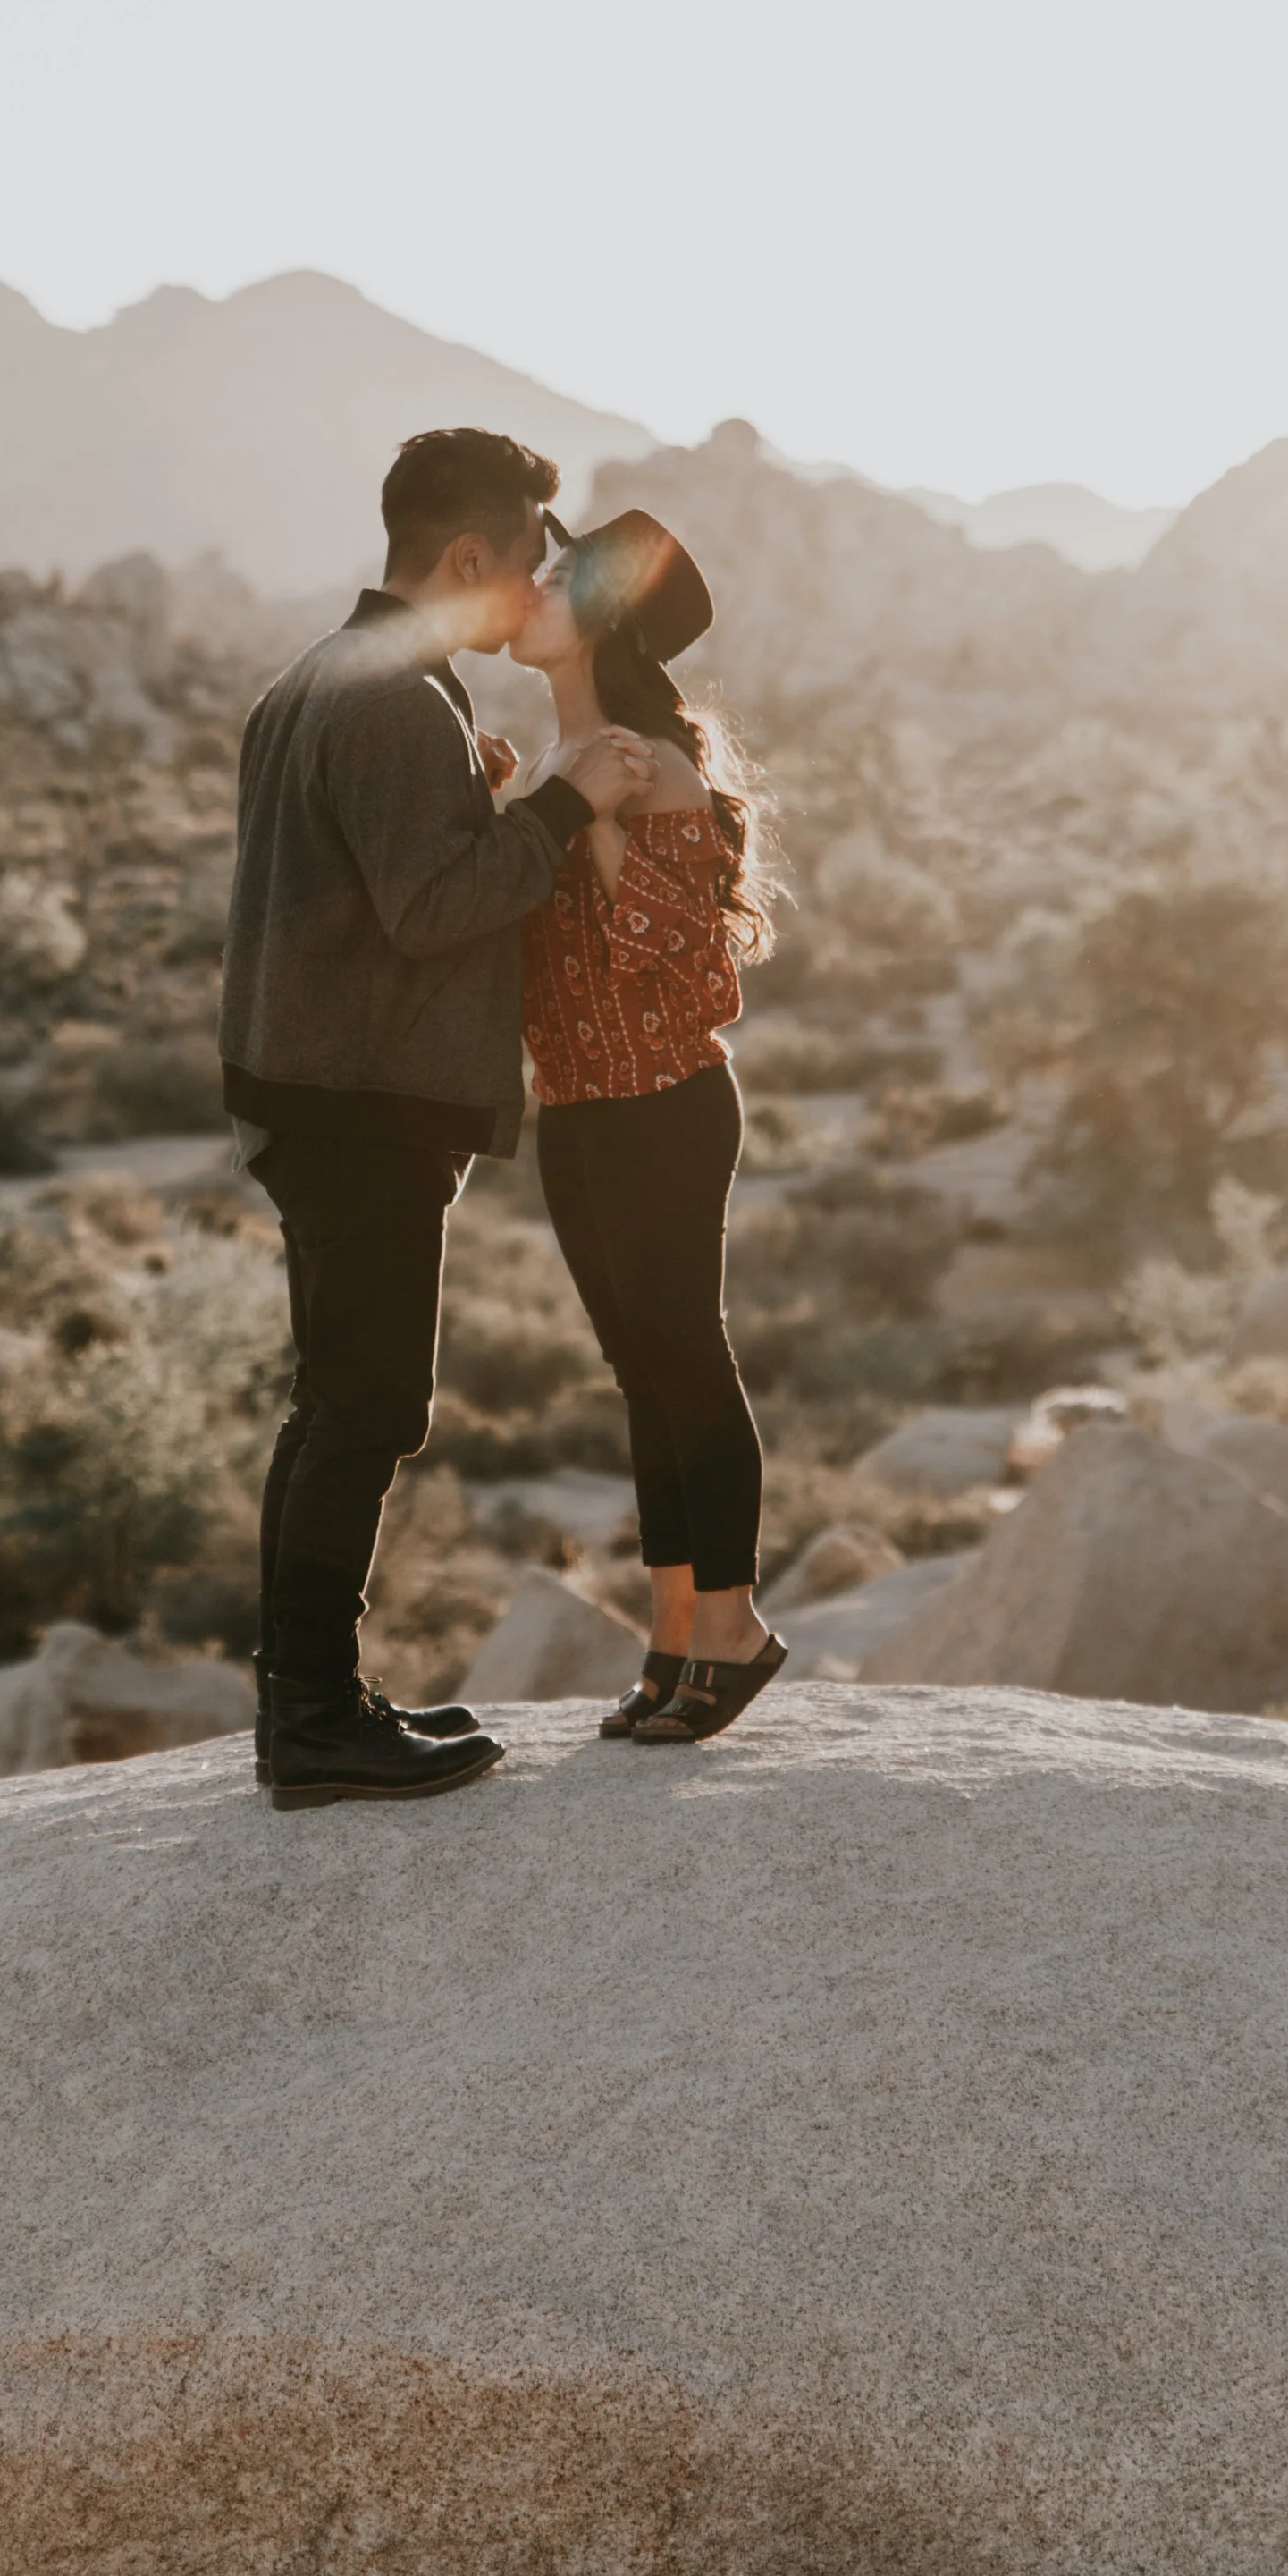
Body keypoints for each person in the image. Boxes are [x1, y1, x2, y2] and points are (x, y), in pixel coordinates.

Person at [220, 428, 658, 1810]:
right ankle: (313, 1721)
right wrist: (559, 803)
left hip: (308, 1088)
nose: (539, 579)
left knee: (336, 1405)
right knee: (366, 1410)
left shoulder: (320, 680)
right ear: (466, 557)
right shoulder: (392, 703)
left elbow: (363, 882)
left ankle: (310, 1704)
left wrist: (471, 796)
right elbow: (433, 911)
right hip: (362, 1108)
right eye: (529, 552)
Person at [509, 508, 786, 1743]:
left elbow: (668, 969)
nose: (532, 588)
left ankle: (731, 1625)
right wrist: (521, 814)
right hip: (573, 1111)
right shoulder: (555, 759)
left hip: (667, 1105)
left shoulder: (649, 768)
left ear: (605, 625)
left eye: (559, 580)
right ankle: (674, 1633)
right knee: (640, 1372)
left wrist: (604, 824)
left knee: (685, 1351)